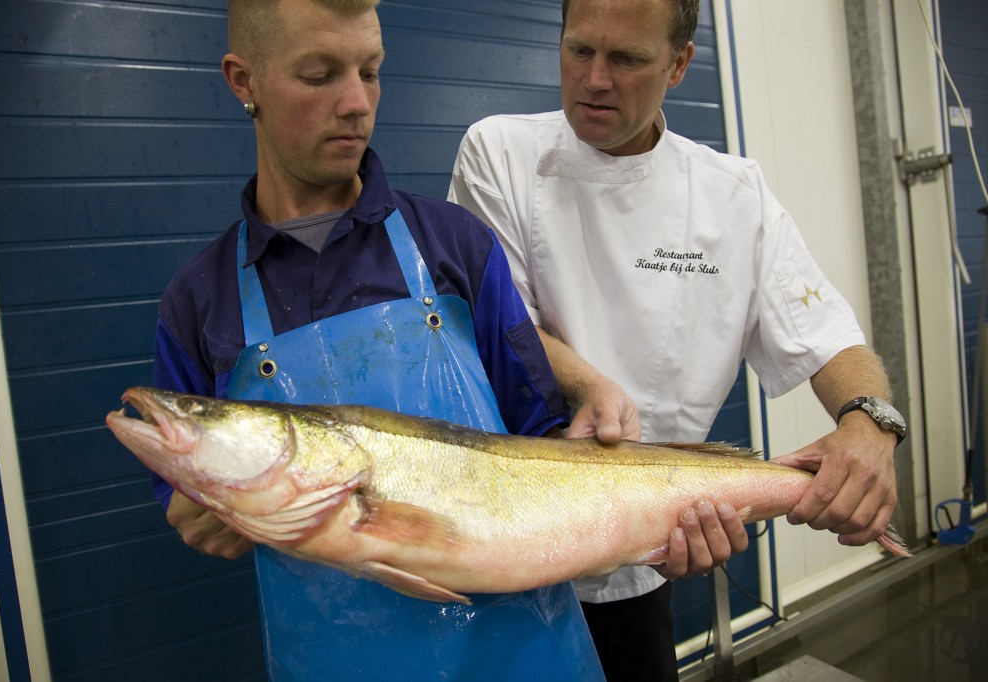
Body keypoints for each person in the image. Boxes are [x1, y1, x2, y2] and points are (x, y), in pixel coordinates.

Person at [147, 0, 612, 679]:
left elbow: (544, 443)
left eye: (370, 71)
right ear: (244, 81)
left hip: (526, 653)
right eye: (319, 75)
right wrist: (195, 514)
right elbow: (183, 492)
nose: (357, 103)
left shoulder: (457, 246)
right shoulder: (198, 302)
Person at [448, 0, 906, 680]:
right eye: (579, 50)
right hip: (505, 534)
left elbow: (830, 337)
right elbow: (499, 323)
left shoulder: (734, 196)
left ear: (679, 64)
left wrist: (869, 423)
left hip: (642, 557)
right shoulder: (500, 152)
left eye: (627, 59)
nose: (594, 79)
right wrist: (589, 384)